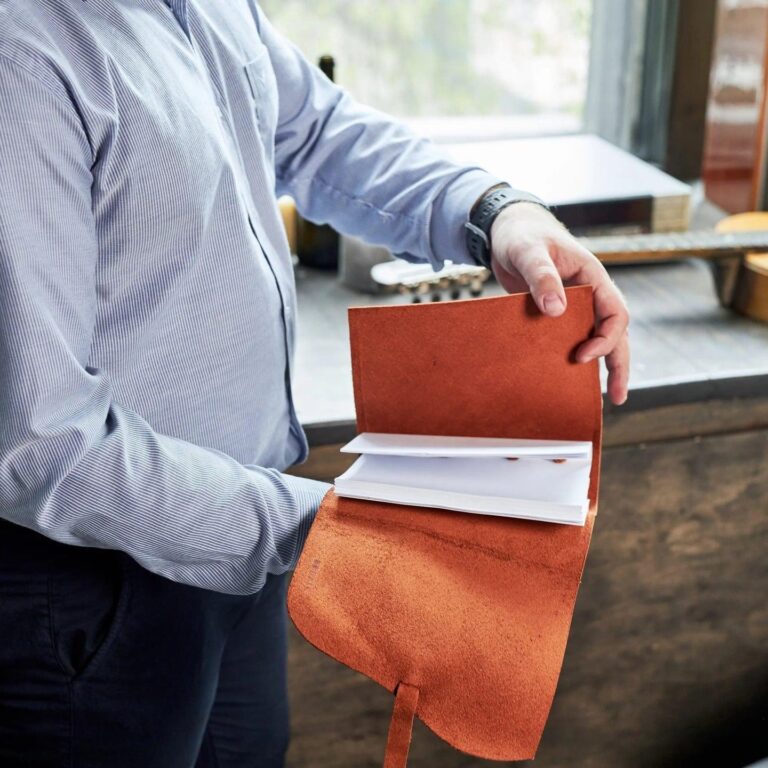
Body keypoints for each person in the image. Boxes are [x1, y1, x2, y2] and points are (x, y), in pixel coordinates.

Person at [0, 1, 630, 766]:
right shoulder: (21, 56)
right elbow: (40, 447)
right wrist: (329, 526)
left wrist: (495, 212)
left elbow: (314, 130)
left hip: (244, 549)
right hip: (91, 590)